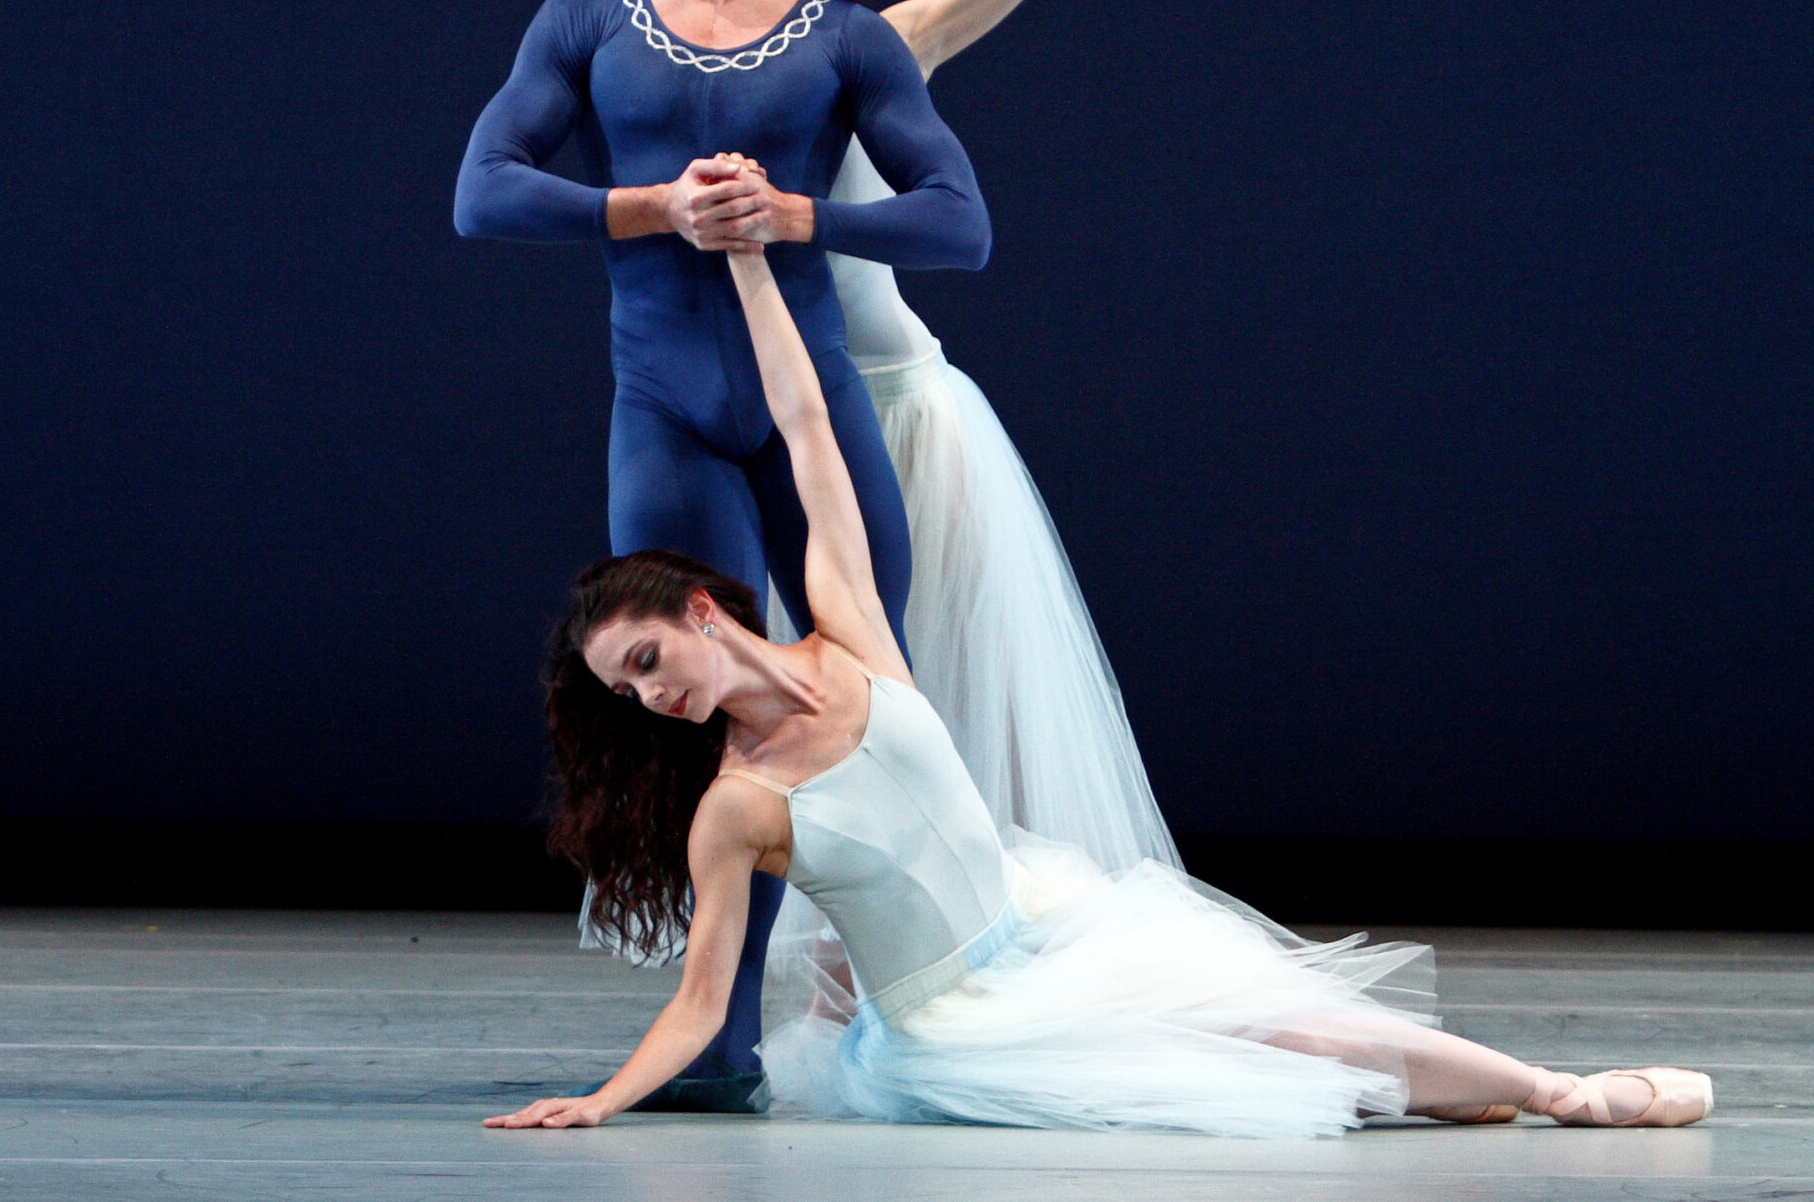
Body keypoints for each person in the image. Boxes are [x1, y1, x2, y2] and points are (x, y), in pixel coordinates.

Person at [413, 0, 1308, 877]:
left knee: (883, 687)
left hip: (883, 395)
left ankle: (921, 914)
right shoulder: (639, 16)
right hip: (712, 378)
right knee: (733, 679)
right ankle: (761, 951)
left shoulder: (872, 41)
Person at [483, 242, 1715, 1135]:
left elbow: (808, 422)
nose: (647, 701)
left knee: (1253, 1009)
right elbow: (703, 998)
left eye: (643, 663)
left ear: (701, 609)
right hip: (964, 1017)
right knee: (1249, 1038)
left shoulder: (848, 638)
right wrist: (597, 1104)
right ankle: (1566, 1094)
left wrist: (751, 259)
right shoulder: (733, 805)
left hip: (1042, 918)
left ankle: (1481, 1087)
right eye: (624, 696)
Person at [448, 0, 989, 1106]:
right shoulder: (590, 18)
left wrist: (800, 210)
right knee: (697, 719)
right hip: (667, 414)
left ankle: (917, 997)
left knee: (867, 714)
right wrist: (652, 206)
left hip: (805, 417)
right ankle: (721, 1036)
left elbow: (960, 224)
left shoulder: (847, 41)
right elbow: (485, 187)